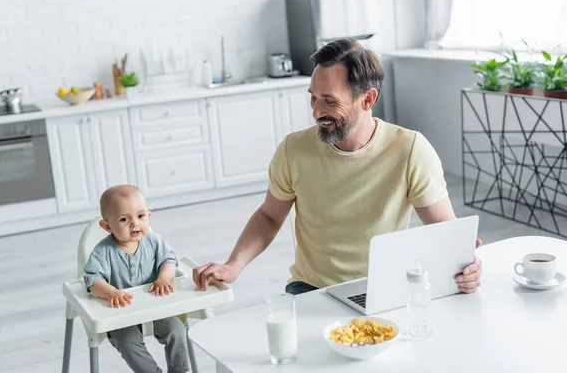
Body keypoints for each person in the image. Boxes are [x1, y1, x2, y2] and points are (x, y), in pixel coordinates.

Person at [192, 38, 483, 296]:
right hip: (310, 287)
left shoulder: (410, 150)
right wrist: (234, 265)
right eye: (313, 98)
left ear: (368, 99)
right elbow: (269, 216)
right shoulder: (294, 150)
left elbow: (444, 229)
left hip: (384, 285)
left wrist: (467, 267)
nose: (317, 112)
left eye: (329, 101)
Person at [83, 185, 190, 373]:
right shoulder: (103, 252)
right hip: (121, 313)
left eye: (140, 216)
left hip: (156, 304)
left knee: (177, 330)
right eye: (124, 219)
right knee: (126, 341)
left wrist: (164, 278)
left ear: (148, 215)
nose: (135, 224)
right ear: (107, 226)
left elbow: (170, 261)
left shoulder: (154, 241)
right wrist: (110, 292)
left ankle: (179, 371)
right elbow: (92, 280)